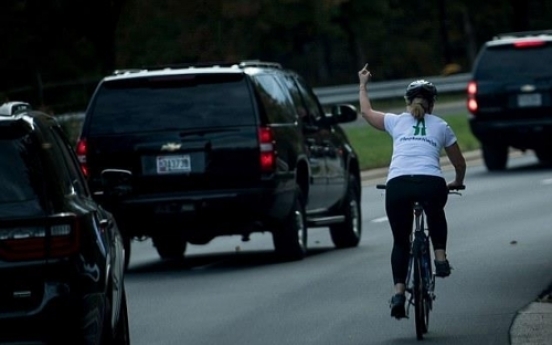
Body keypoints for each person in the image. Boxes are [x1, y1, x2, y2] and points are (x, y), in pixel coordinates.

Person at [357, 64, 466, 320]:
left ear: (408, 102)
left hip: (398, 185)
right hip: (431, 182)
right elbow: (459, 162)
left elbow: (366, 111)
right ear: (433, 104)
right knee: (435, 210)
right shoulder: (441, 125)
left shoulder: (395, 121)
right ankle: (440, 258)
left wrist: (363, 84)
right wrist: (457, 180)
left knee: (400, 241)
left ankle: (398, 293)